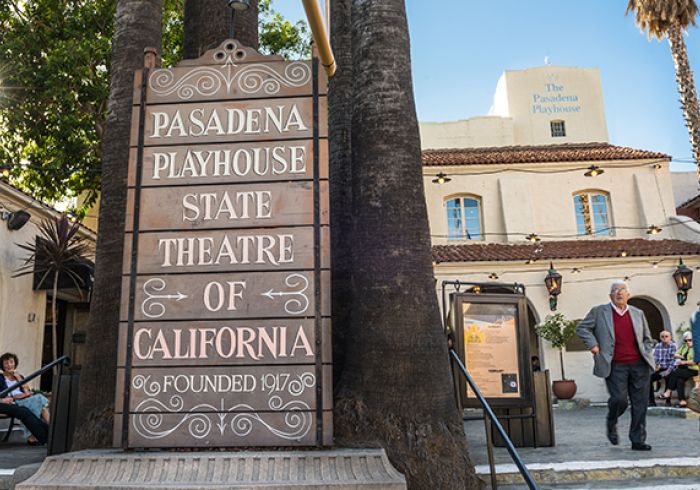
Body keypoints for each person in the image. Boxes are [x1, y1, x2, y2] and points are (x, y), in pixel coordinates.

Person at [576, 280, 655, 451]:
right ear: (610, 295)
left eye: (622, 290)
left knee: (640, 403)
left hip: (639, 364)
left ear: (628, 295)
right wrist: (593, 345)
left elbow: (647, 338)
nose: (619, 292)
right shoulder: (599, 312)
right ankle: (612, 421)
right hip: (615, 365)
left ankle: (638, 440)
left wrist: (648, 351)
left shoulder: (638, 313)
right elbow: (582, 328)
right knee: (619, 400)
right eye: (615, 290)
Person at [0, 352, 50, 444]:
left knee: (37, 402)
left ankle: (36, 435)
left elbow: (27, 392)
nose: (9, 365)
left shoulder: (19, 376)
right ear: (2, 365)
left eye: (11, 362)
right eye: (6, 363)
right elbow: (7, 396)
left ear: (15, 363)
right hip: (14, 401)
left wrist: (19, 379)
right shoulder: (1, 378)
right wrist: (19, 396)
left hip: (24, 399)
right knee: (38, 400)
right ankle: (50, 429)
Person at [661, 331, 697, 408]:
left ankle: (668, 391)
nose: (688, 342)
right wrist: (682, 357)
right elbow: (675, 354)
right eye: (686, 340)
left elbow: (695, 361)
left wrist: (684, 362)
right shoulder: (685, 346)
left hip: (695, 370)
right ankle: (682, 401)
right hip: (686, 369)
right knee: (679, 380)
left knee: (674, 372)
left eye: (690, 340)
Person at [648, 330, 677, 406]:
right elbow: (655, 359)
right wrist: (653, 368)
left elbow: (674, 360)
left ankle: (668, 401)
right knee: (649, 378)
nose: (664, 338)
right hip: (661, 369)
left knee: (669, 377)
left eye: (666, 336)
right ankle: (651, 401)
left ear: (670, 337)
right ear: (660, 338)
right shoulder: (658, 346)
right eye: (662, 336)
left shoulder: (673, 346)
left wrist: (668, 370)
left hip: (671, 369)